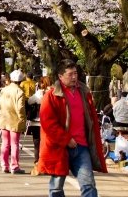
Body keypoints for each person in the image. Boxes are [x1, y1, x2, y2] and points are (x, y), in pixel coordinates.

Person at [37, 60, 107, 197]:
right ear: (60, 76)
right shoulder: (52, 95)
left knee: (89, 184)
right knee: (56, 187)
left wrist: (99, 139)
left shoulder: (84, 93)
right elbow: (48, 123)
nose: (74, 77)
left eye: (75, 73)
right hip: (60, 147)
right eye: (70, 74)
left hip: (82, 146)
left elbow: (91, 121)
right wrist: (66, 139)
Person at [0, 69, 27, 174]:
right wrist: (22, 118)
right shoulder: (20, 91)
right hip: (15, 120)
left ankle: (4, 165)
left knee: (5, 143)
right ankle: (14, 166)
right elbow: (20, 108)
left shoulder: (4, 90)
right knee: (14, 143)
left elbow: (0, 105)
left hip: (4, 118)